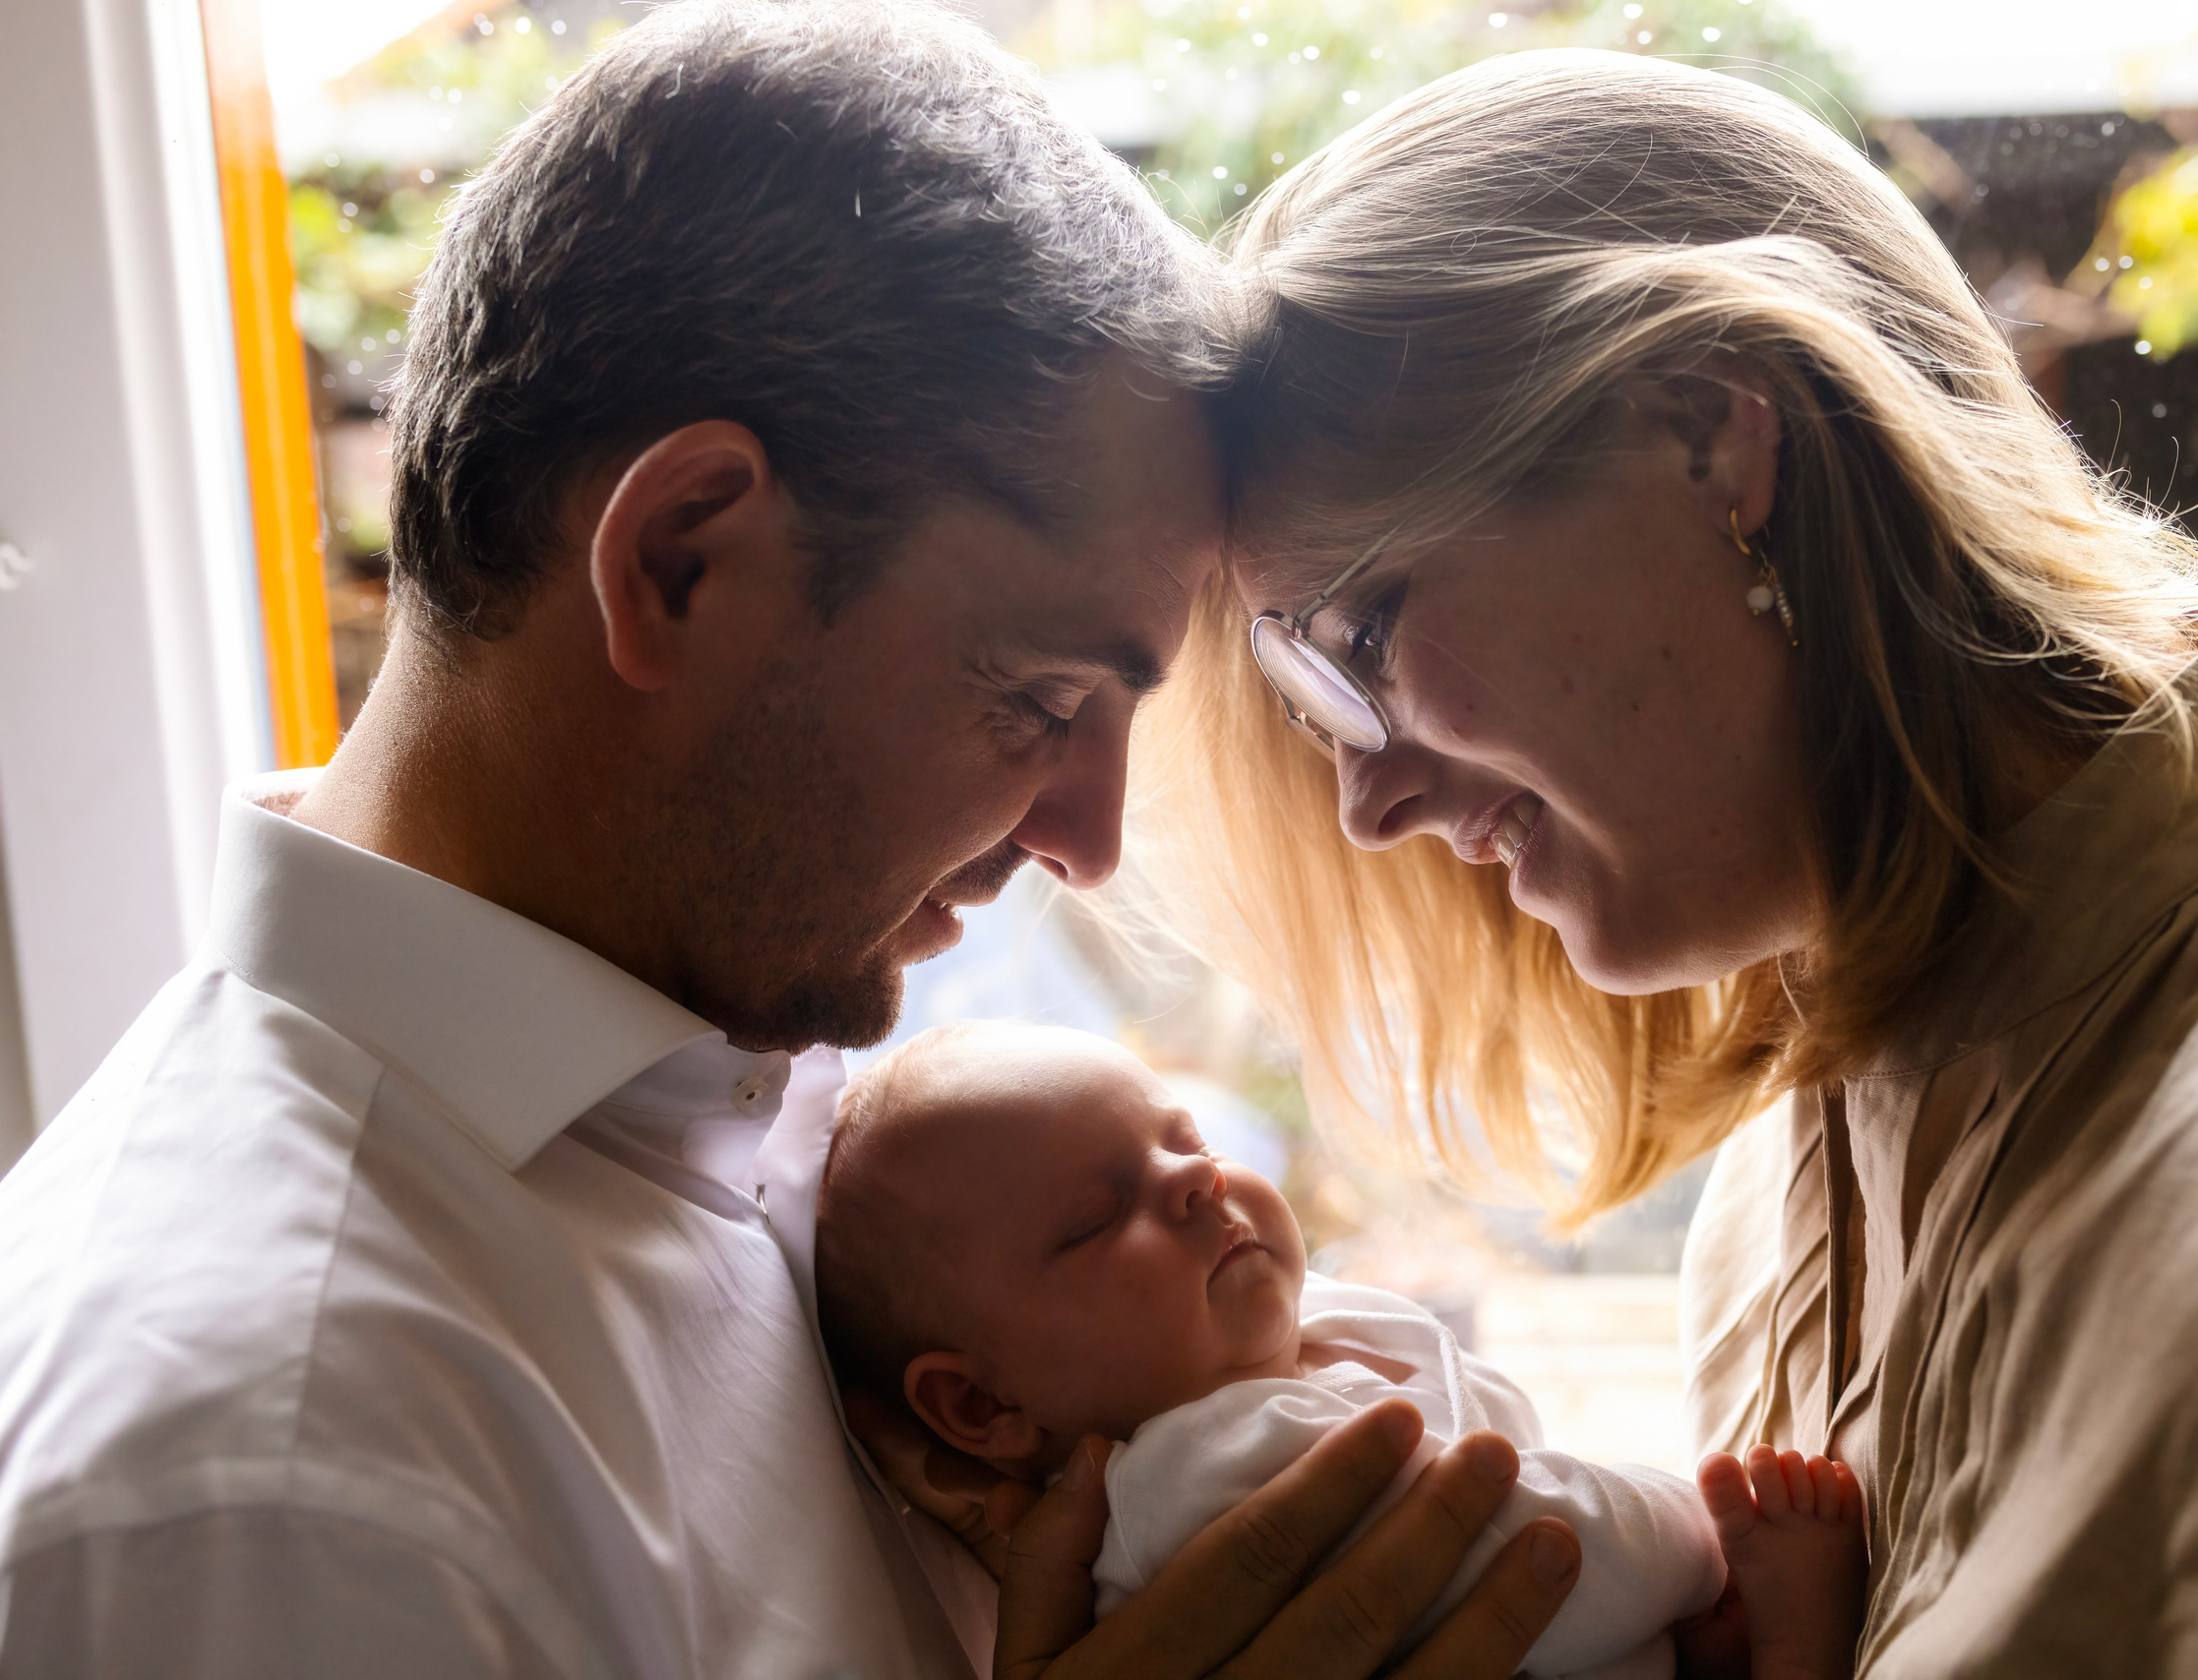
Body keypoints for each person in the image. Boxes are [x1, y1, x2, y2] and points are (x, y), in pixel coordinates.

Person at [0, 6, 1583, 1675]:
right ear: (682, 560)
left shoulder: (753, 1076)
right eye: (1040, 696)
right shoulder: (279, 1496)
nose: (1090, 836)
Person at [1137, 47, 2198, 1679]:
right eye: (1309, 691)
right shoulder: (1803, 1154)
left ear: (1716, 445)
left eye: (1363, 633)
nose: (1364, 804)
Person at [813, 1021, 1872, 1680]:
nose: (1192, 1180)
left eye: (1184, 1140)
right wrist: (1692, 1538)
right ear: (981, 1407)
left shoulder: (1281, 1349)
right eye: (1093, 1220)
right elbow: (1544, 1549)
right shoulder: (1197, 1473)